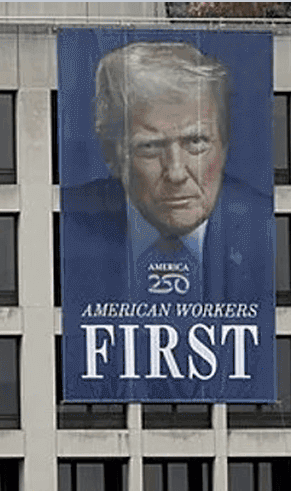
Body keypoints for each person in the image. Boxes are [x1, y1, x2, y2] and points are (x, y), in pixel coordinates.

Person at [63, 40, 267, 302]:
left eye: (195, 142)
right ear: (110, 154)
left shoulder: (268, 226)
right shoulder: (66, 224)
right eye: (150, 146)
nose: (176, 173)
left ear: (224, 145)